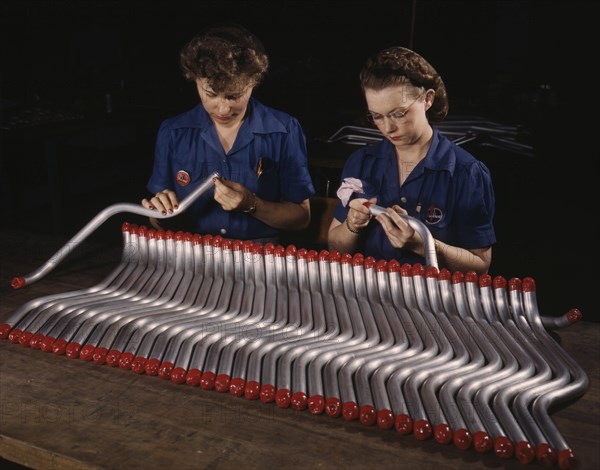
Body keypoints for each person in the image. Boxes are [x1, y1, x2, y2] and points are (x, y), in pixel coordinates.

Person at [328, 46, 495, 275]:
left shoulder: (466, 173)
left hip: (433, 303)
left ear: (427, 99)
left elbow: (480, 265)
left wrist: (422, 244)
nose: (388, 128)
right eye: (377, 116)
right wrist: (351, 226)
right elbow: (334, 245)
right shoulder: (361, 162)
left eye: (399, 114)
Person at [141, 24, 315, 243]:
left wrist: (252, 204)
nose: (223, 109)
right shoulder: (173, 133)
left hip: (260, 258)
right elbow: (157, 223)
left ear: (253, 82)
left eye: (234, 96)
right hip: (192, 255)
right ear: (195, 79)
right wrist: (160, 214)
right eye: (211, 94)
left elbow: (302, 218)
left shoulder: (285, 130)